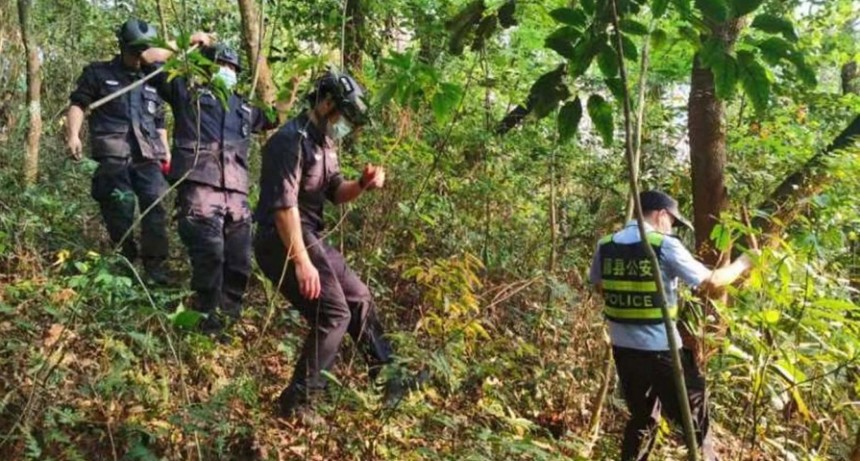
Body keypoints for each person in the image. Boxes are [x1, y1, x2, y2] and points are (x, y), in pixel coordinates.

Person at [254, 70, 410, 418]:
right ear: (325, 104)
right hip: (280, 238)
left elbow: (336, 192)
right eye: (344, 118)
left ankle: (389, 377)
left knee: (358, 297)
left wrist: (363, 183)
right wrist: (301, 262)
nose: (345, 128)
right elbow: (283, 208)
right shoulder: (289, 141)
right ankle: (299, 400)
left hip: (310, 235)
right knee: (333, 312)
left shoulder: (325, 143)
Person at [589, 190, 755, 461]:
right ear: (661, 214)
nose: (671, 227)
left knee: (642, 418)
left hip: (623, 350)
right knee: (696, 421)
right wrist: (743, 263)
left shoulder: (606, 244)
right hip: (661, 351)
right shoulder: (662, 244)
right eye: (672, 221)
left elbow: (599, 285)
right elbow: (710, 283)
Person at [142, 38, 279, 333]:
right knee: (211, 254)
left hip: (237, 196)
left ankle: (228, 319)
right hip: (200, 189)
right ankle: (205, 318)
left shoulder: (242, 107)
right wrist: (186, 43)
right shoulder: (186, 92)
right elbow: (147, 58)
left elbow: (273, 117)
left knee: (240, 260)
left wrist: (291, 90)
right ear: (206, 67)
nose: (227, 70)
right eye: (221, 64)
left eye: (232, 67)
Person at [67, 18, 172, 284]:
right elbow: (79, 104)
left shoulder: (154, 79)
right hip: (114, 153)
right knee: (119, 207)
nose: (140, 57)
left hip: (148, 155)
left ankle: (155, 269)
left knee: (155, 207)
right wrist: (73, 135)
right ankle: (126, 260)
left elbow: (159, 121)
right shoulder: (98, 73)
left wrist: (166, 151)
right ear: (123, 46)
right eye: (136, 51)